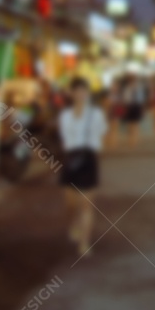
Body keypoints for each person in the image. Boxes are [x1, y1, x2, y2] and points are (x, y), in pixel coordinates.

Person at [58, 77, 108, 257]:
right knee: (71, 203)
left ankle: (85, 242)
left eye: (83, 90)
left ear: (88, 93)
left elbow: (101, 133)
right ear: (70, 93)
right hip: (71, 159)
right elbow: (66, 139)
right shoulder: (64, 116)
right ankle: (73, 223)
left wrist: (92, 148)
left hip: (89, 160)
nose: (80, 94)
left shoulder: (96, 114)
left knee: (87, 205)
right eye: (76, 90)